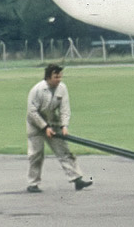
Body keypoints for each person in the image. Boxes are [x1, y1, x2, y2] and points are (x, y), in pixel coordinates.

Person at [25, 64, 91, 192]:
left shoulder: (62, 88)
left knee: (64, 151)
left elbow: (65, 109)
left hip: (52, 121)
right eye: (56, 76)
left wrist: (64, 126)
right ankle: (33, 184)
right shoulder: (37, 90)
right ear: (48, 77)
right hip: (35, 124)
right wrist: (44, 128)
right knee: (36, 154)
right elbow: (32, 112)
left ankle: (77, 179)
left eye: (60, 76)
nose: (59, 79)